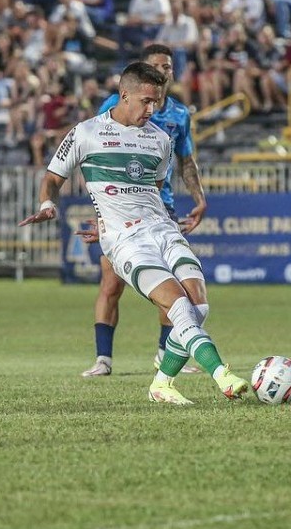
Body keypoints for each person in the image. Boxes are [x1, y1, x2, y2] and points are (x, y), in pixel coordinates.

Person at [20, 61, 246, 405]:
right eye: (145, 101)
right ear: (123, 96)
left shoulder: (160, 139)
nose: (151, 109)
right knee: (177, 305)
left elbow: (148, 189)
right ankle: (222, 375)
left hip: (162, 228)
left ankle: (161, 384)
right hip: (125, 241)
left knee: (198, 305)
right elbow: (52, 178)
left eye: (156, 101)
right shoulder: (86, 132)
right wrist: (49, 205)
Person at [79, 43, 206, 378]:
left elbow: (186, 160)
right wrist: (102, 208)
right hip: (120, 210)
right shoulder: (117, 104)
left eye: (167, 66)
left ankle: (165, 353)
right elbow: (96, 153)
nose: (163, 71)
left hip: (161, 208)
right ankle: (103, 359)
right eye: (156, 66)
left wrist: (199, 197)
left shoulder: (179, 114)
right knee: (111, 283)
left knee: (174, 284)